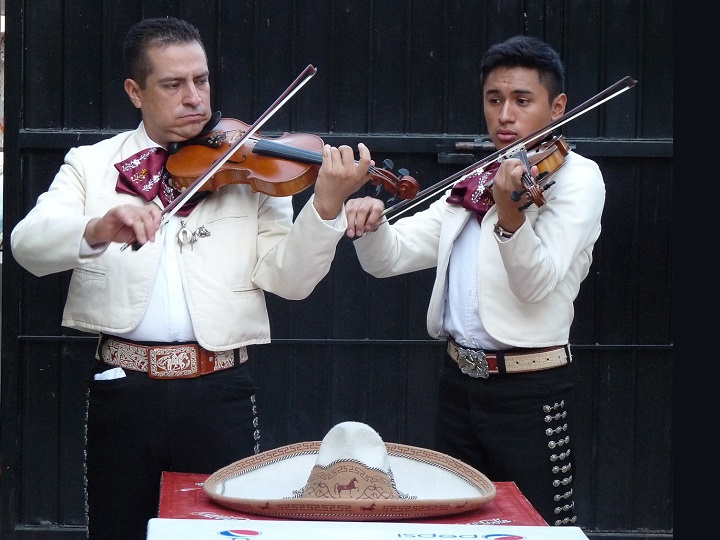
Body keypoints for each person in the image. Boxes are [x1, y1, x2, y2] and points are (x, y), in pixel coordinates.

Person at [10, 17, 375, 540]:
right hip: (123, 389)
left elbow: (291, 282)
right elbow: (28, 246)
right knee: (118, 528)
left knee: (223, 531)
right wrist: (95, 227)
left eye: (201, 81)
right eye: (173, 85)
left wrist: (326, 208)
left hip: (220, 388)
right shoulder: (92, 165)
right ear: (135, 92)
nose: (194, 99)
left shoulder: (254, 168)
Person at [344, 35, 605, 526]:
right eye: (494, 99)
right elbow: (390, 259)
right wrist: (369, 223)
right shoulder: (477, 180)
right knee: (452, 524)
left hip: (529, 391)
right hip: (457, 385)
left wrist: (510, 215)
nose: (505, 115)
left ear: (558, 107)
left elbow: (536, 284)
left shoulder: (577, 178)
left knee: (536, 528)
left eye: (522, 101)